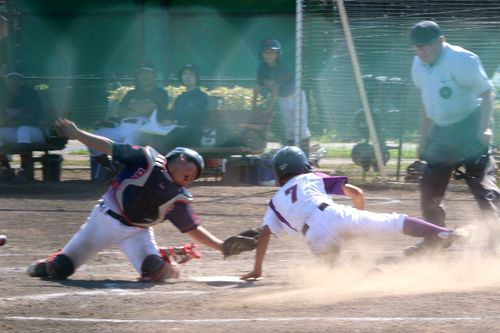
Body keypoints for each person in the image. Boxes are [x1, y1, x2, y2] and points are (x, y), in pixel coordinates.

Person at [27, 118, 226, 282]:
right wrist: (78, 134)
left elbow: (192, 229)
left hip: (135, 231)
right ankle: (50, 263)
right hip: (102, 221)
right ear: (182, 158)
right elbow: (110, 147)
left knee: (155, 270)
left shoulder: (178, 196)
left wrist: (222, 246)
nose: (193, 178)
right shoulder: (146, 158)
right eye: (193, 171)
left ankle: (166, 259)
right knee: (61, 268)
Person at [240, 146, 462, 280]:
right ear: (303, 165)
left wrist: (257, 270)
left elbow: (265, 234)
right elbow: (357, 193)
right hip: (334, 214)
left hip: (313, 235)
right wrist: (358, 225)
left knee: (334, 267)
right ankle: (444, 232)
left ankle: (363, 272)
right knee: (395, 222)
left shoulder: (275, 202)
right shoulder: (312, 176)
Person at [409, 20, 499, 254]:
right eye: (416, 47)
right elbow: (425, 102)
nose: (420, 52)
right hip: (441, 131)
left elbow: (487, 93)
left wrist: (483, 130)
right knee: (430, 188)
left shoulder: (462, 61)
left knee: (482, 187)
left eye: (425, 46)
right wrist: (424, 137)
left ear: (441, 41)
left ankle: (495, 242)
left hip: (469, 127)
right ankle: (436, 237)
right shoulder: (418, 64)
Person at [91, 61, 169, 183]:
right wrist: (141, 107)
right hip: (122, 126)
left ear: (154, 75)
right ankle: (110, 169)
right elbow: (120, 111)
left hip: (142, 128)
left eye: (148, 72)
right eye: (141, 73)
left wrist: (133, 108)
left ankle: (124, 178)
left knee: (128, 145)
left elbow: (151, 107)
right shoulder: (131, 93)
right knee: (94, 138)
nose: (144, 75)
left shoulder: (160, 93)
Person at [252, 38, 311, 155]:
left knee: (301, 127)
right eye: (266, 52)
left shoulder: (281, 66)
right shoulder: (262, 67)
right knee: (289, 129)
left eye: (273, 52)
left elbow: (275, 90)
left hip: (296, 96)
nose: (269, 55)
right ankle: (292, 155)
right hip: (283, 98)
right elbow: (257, 87)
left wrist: (269, 109)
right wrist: (253, 106)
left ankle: (305, 156)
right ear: (262, 54)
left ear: (278, 54)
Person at [0, 70, 46, 184]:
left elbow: (34, 116)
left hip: (35, 132)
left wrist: (18, 121)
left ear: (21, 81)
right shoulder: (4, 95)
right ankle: (6, 168)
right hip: (16, 132)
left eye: (16, 79)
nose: (13, 82)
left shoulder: (30, 94)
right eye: (10, 79)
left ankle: (23, 170)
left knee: (23, 129)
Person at [162, 63, 209, 150]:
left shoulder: (202, 96)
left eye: (191, 74)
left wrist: (177, 123)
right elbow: (175, 116)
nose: (187, 76)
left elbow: (195, 116)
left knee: (170, 142)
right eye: (185, 73)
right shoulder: (180, 98)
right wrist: (168, 121)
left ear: (196, 77)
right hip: (179, 132)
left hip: (193, 134)